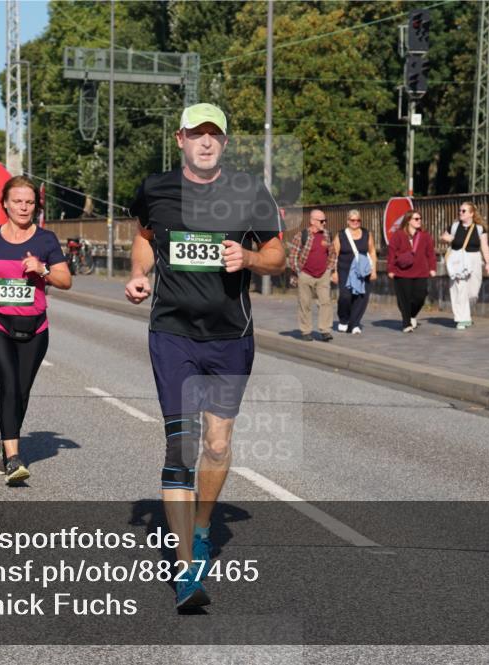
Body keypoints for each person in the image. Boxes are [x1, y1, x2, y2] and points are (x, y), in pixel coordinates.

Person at [125, 103, 286, 609]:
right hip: (172, 333)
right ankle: (186, 571)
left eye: (215, 133)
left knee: (217, 446)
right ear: (180, 139)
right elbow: (146, 238)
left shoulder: (248, 192)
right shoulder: (156, 189)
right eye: (197, 133)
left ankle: (199, 529)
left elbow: (279, 255)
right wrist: (139, 273)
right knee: (181, 446)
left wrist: (251, 257)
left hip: (229, 335)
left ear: (224, 142)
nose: (206, 142)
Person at [0, 175, 70, 485]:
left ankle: (4, 442)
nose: (24, 207)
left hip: (35, 327)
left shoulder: (46, 240)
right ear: (4, 204)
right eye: (17, 201)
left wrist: (42, 270)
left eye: (29, 202)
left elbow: (65, 280)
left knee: (22, 392)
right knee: (10, 385)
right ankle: (14, 458)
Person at [440, 201, 489, 330]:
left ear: (471, 214)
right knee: (459, 289)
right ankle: (462, 318)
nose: (460, 213)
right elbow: (443, 236)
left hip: (473, 259)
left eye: (463, 211)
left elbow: (484, 246)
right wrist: (446, 238)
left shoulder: (480, 228)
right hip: (458, 260)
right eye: (459, 210)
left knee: (472, 292)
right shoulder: (454, 226)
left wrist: (488, 263)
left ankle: (464, 312)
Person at [287, 209, 335, 342]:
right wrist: (299, 272)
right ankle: (306, 330)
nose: (324, 223)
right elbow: (293, 256)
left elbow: (332, 254)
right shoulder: (301, 235)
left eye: (325, 221)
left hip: (323, 274)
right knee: (305, 304)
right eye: (321, 221)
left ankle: (325, 331)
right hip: (305, 274)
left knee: (325, 302)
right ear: (312, 221)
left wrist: (329, 269)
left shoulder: (327, 235)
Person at [388, 210, 437, 332]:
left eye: (420, 218)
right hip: (402, 272)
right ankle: (406, 324)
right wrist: (391, 269)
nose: (419, 220)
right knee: (404, 298)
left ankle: (411, 315)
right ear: (408, 220)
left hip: (421, 272)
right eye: (416, 219)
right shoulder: (398, 235)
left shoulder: (425, 236)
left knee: (420, 296)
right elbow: (391, 253)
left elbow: (431, 253)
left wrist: (432, 268)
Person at [331, 209, 376, 335]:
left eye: (358, 220)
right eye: (352, 220)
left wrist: (374, 270)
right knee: (345, 296)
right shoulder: (341, 235)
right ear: (347, 221)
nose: (355, 222)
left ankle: (355, 323)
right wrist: (334, 272)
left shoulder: (367, 234)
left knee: (362, 297)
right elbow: (334, 254)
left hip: (362, 270)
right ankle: (344, 319)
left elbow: (372, 252)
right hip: (344, 269)